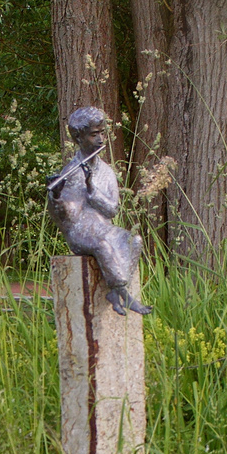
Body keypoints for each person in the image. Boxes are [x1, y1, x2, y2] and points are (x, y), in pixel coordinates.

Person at [47, 107, 151, 316]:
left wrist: (92, 190)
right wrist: (56, 198)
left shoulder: (106, 172)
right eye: (94, 135)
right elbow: (68, 217)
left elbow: (112, 210)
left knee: (135, 241)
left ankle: (117, 291)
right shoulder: (71, 171)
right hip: (80, 230)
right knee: (103, 246)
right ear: (78, 137)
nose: (101, 140)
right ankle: (126, 296)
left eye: (102, 133)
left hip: (103, 226)